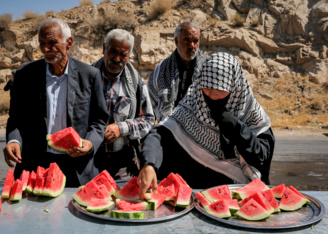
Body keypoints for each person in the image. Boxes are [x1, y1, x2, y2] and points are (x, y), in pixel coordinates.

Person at [137, 52, 275, 198]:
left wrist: (236, 128)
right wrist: (149, 163)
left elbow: (262, 157)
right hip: (190, 197)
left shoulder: (250, 114)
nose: (212, 97)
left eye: (219, 92)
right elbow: (160, 134)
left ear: (235, 88)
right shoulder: (193, 103)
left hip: (233, 196)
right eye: (207, 91)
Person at [3, 18, 108, 187]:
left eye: (52, 43)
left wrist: (90, 143)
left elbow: (100, 120)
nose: (45, 49)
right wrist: (13, 141)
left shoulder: (90, 75)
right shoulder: (25, 75)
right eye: (42, 43)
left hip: (77, 166)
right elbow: (16, 118)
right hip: (35, 165)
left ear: (69, 43)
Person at [92, 29, 155, 180]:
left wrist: (121, 128)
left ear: (129, 55)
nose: (117, 58)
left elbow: (148, 120)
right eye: (113, 51)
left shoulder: (136, 83)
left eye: (123, 54)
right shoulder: (87, 77)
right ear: (103, 48)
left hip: (123, 163)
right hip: (90, 159)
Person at [147, 22, 208, 123]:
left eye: (195, 41)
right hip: (169, 127)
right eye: (187, 40)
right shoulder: (162, 69)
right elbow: (149, 106)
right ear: (176, 41)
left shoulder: (208, 67)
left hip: (200, 129)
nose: (192, 46)